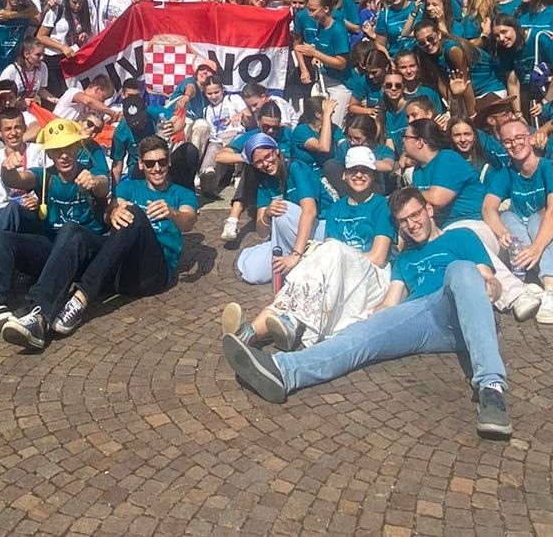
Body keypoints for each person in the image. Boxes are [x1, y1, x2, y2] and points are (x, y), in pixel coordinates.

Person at [219, 186, 513, 438]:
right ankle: (284, 371)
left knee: (460, 269)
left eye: (415, 215)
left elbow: (487, 280)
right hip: (425, 318)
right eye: (403, 221)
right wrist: (372, 320)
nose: (412, 224)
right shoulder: (406, 259)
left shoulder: (459, 237)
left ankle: (491, 390)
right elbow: (391, 301)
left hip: (461, 303)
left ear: (428, 211)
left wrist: (491, 290)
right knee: (360, 336)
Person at [8, 134, 198, 347]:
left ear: (169, 162)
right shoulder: (128, 186)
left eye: (162, 162)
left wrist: (173, 213)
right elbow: (110, 212)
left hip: (152, 274)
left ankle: (80, 299)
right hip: (118, 271)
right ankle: (39, 314)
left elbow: (188, 221)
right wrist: (112, 213)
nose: (157, 168)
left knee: (133, 213)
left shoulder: (181, 193)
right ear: (141, 164)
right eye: (150, 163)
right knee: (73, 230)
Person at [0, 119, 111, 341]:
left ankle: (40, 310)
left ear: (76, 148)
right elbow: (19, 178)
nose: (63, 155)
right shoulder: (46, 175)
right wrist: (6, 169)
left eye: (67, 148)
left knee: (71, 230)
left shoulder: (89, 172)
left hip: (85, 253)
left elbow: (103, 185)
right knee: (3, 238)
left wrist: (95, 182)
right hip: (53, 250)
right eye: (56, 150)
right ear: (49, 154)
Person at [222, 146, 393, 349]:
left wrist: (336, 258)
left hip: (370, 274)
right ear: (344, 175)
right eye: (353, 170)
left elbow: (379, 257)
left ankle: (290, 325)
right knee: (305, 274)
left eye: (364, 171)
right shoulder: (337, 208)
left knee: (326, 254)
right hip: (339, 270)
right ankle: (250, 333)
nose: (358, 175)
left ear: (373, 175)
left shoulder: (381, 206)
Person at [480, 117, 553, 323]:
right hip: (529, 255)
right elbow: (488, 208)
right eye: (508, 141)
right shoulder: (506, 173)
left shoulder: (549, 168)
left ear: (531, 139)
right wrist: (501, 232)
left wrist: (537, 247)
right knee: (506, 216)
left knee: (536, 218)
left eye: (520, 137)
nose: (515, 144)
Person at [233, 132, 330, 285]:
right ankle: (294, 259)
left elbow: (310, 212)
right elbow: (262, 233)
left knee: (282, 210)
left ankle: (302, 260)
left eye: (267, 156)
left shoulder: (296, 167)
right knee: (251, 273)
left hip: (320, 229)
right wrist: (266, 215)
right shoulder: (263, 182)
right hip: (289, 236)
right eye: (258, 162)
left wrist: (295, 255)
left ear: (276, 150)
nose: (265, 164)